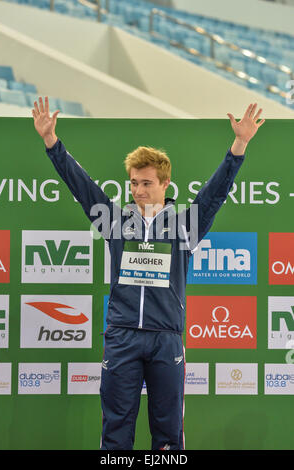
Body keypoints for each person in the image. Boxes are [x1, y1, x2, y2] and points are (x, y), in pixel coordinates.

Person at [32, 97, 265, 450]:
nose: (139, 191)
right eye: (134, 184)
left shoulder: (184, 224)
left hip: (165, 337)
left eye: (146, 183)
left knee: (168, 432)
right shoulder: (114, 221)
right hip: (122, 337)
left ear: (165, 184)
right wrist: (52, 143)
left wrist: (239, 145)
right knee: (115, 431)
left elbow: (215, 193)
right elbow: (80, 186)